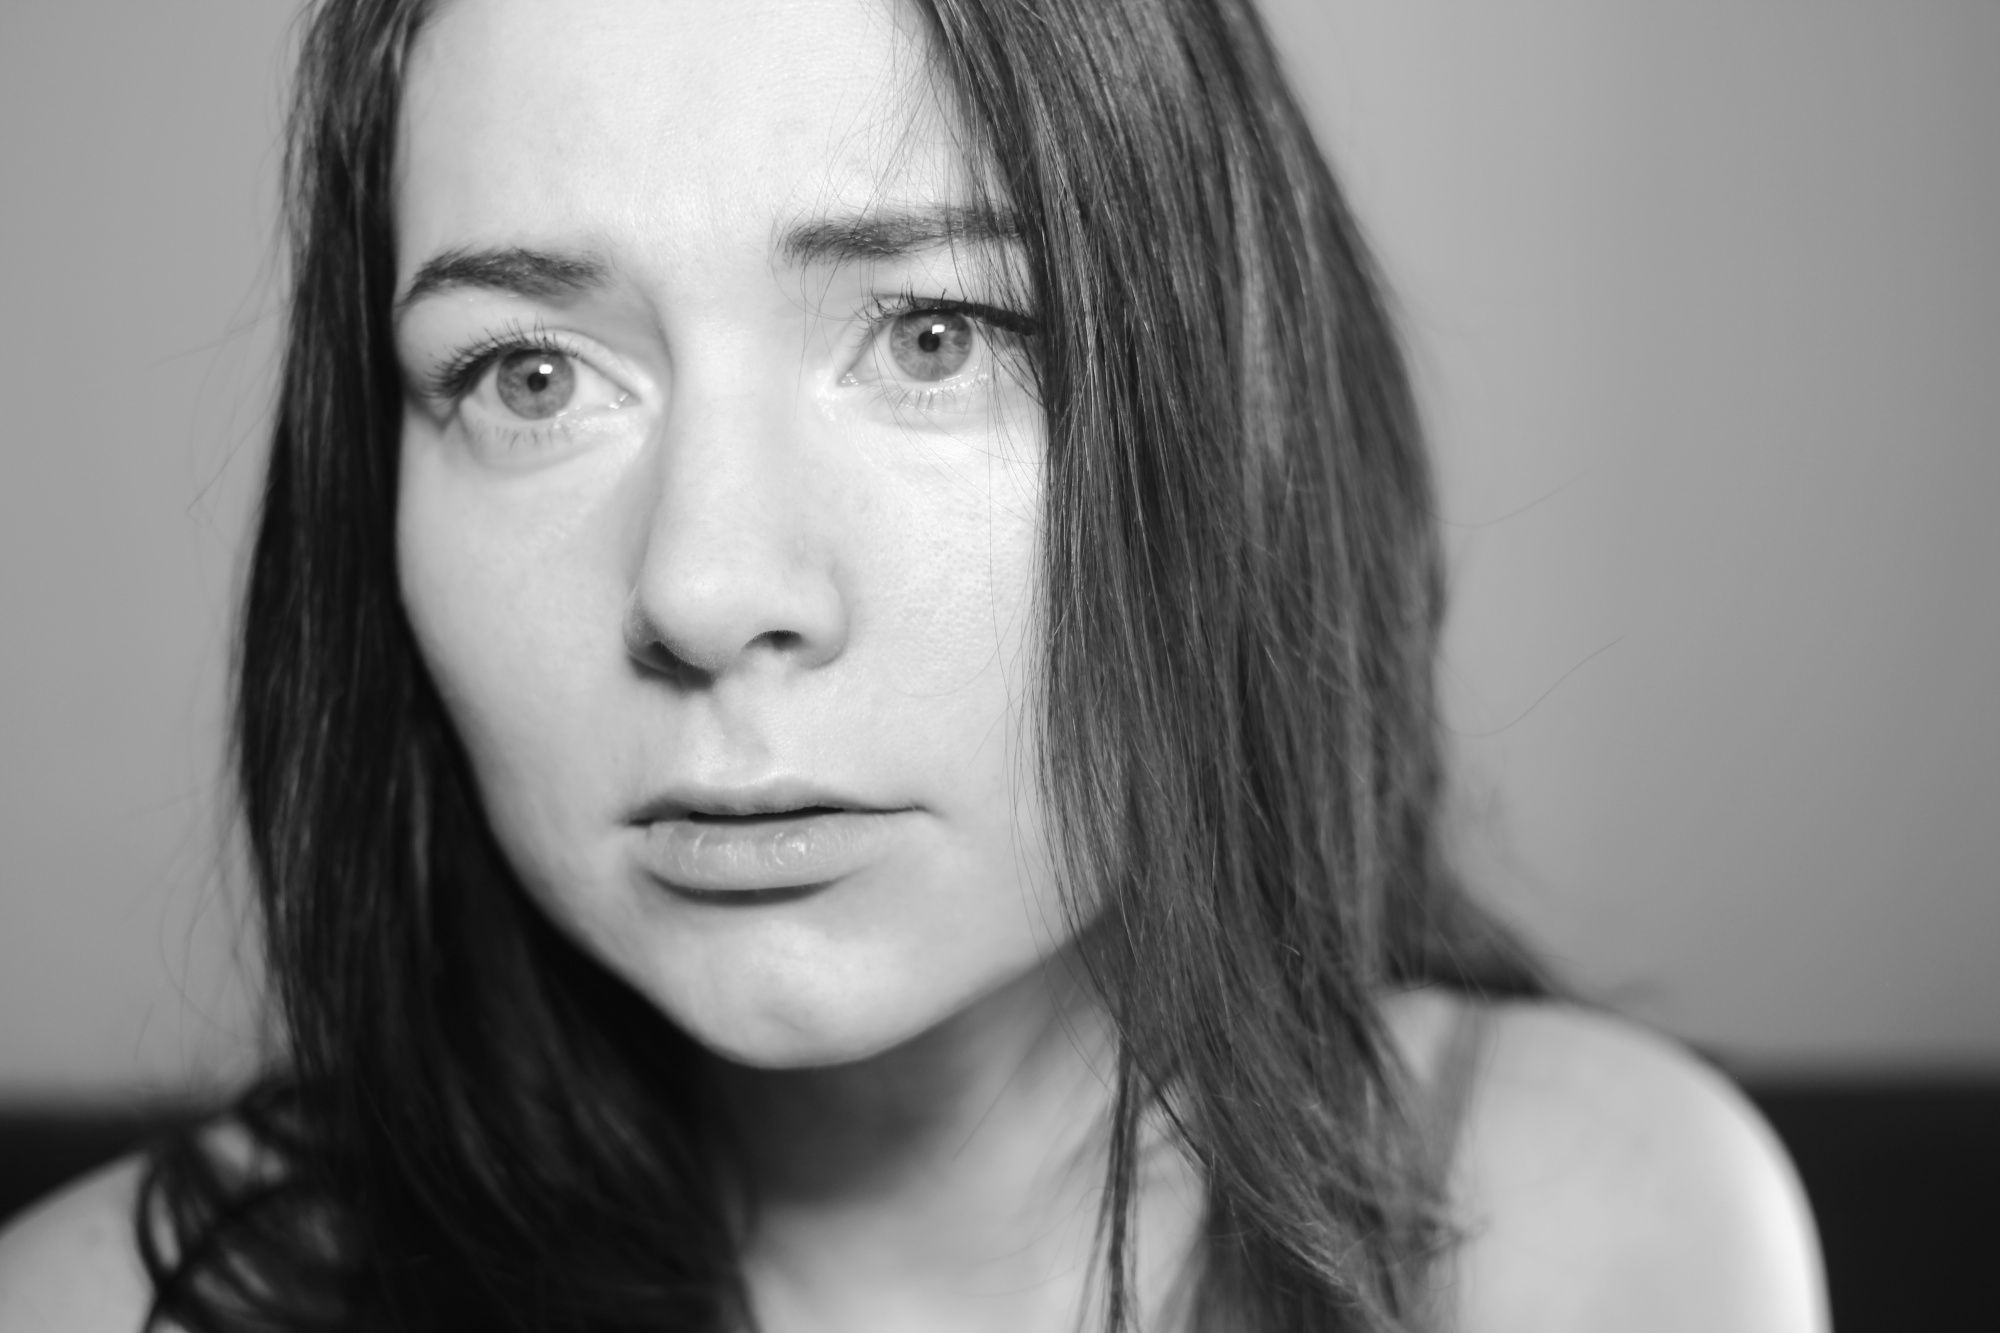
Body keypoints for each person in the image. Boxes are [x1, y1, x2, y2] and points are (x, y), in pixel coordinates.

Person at [0, 0, 1825, 1329]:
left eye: (936, 334)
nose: (707, 586)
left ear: (1238, 415)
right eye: (529, 376)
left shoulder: (1592, 1237)